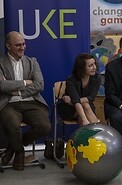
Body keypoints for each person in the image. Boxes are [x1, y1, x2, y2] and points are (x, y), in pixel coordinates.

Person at [0, 31, 51, 170]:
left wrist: (17, 90)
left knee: (45, 125)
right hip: (8, 103)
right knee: (12, 123)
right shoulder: (1, 63)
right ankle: (20, 152)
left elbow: (39, 84)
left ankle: (13, 147)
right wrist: (25, 82)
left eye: (23, 44)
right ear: (8, 46)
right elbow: (1, 86)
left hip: (30, 101)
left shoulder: (32, 61)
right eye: (18, 45)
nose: (22, 47)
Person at [57, 53, 101, 126]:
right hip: (70, 109)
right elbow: (76, 101)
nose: (94, 67)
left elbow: (91, 98)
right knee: (85, 107)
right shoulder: (71, 80)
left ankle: (90, 134)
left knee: (86, 106)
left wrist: (72, 101)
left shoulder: (96, 78)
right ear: (82, 68)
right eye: (90, 66)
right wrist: (84, 119)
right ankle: (97, 133)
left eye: (94, 64)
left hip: (86, 108)